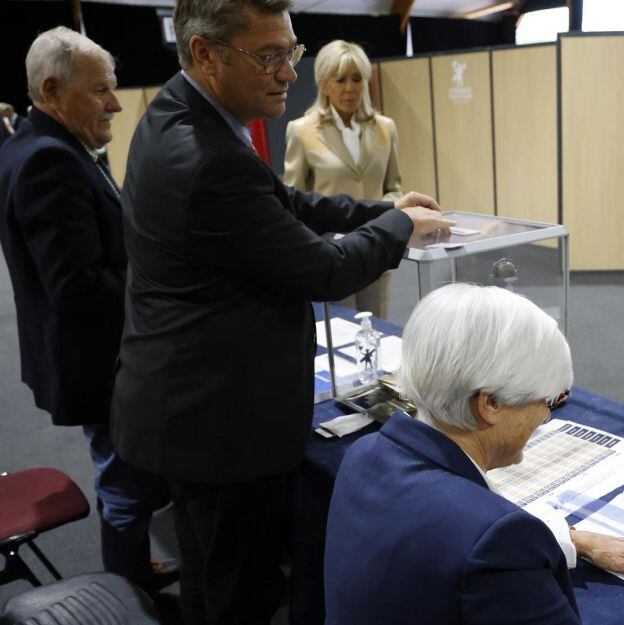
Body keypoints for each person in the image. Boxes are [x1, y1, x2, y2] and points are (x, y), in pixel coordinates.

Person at [108, 0, 453, 623]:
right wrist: (401, 226)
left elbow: (280, 202)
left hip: (187, 404)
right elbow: (321, 270)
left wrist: (378, 211)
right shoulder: (206, 156)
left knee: (210, 577)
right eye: (268, 56)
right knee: (242, 590)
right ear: (204, 55)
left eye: (289, 52)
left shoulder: (180, 111)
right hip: (219, 421)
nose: (288, 73)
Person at [325, 284, 624, 625]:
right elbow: (472, 545)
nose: (546, 416)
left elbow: (436, 552)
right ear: (490, 405)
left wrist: (570, 539)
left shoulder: (364, 454)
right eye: (549, 401)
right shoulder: (496, 540)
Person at [0, 27, 172, 591]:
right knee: (125, 487)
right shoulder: (50, 159)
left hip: (83, 359)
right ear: (53, 88)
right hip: (97, 366)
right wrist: (161, 279)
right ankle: (130, 596)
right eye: (101, 90)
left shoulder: (38, 143)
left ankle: (133, 572)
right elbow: (76, 287)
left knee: (121, 478)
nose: (116, 104)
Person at [284, 39, 402, 317]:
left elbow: (394, 187)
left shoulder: (385, 128)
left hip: (376, 247)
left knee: (378, 327)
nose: (350, 87)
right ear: (324, 83)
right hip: (331, 255)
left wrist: (385, 216)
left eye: (357, 78)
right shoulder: (301, 131)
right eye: (340, 79)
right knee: (341, 331)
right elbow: (293, 201)